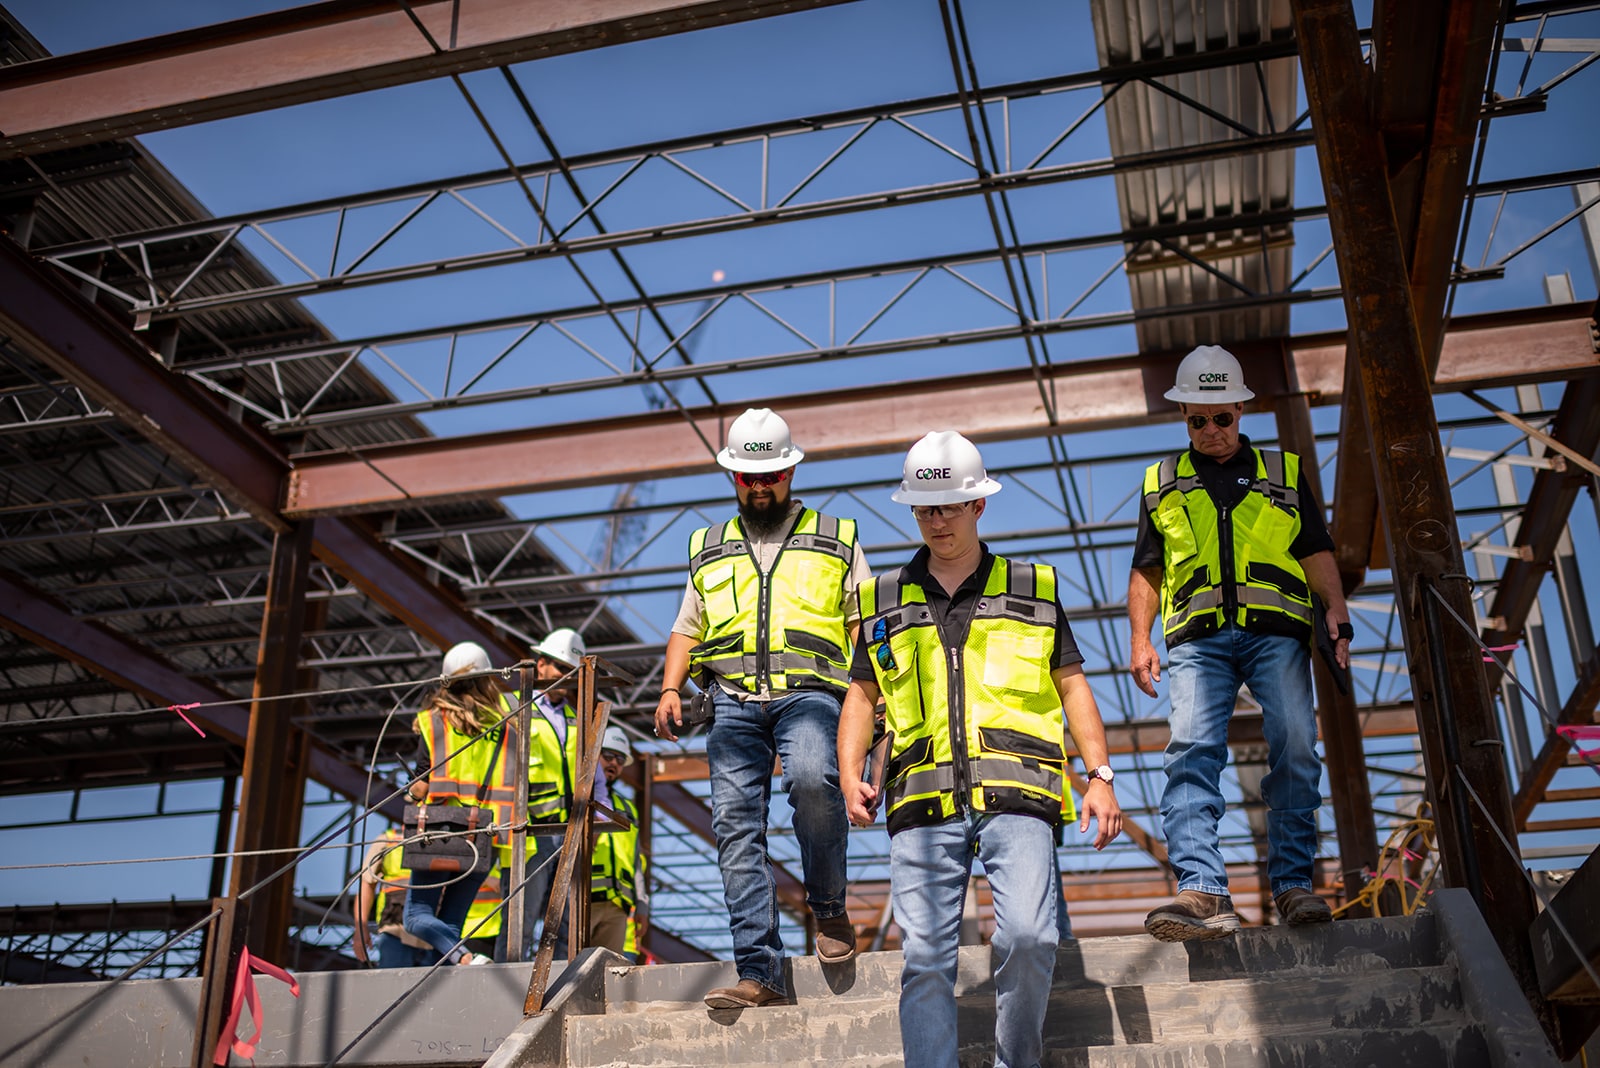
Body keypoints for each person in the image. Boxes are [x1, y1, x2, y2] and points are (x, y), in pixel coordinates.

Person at [838, 430, 1123, 1068]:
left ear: (978, 505)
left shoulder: (1032, 587)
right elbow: (861, 694)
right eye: (924, 509)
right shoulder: (882, 597)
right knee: (924, 960)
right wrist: (849, 772)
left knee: (1030, 936)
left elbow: (1071, 686)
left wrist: (1100, 776)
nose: (936, 521)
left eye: (948, 507)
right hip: (920, 801)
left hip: (1018, 794)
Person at [1128, 346, 1351, 941]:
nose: (1211, 430)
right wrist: (1140, 639)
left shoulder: (1284, 472)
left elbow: (1314, 547)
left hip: (1275, 632)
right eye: (1198, 419)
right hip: (1196, 639)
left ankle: (1294, 883)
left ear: (1241, 409)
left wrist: (1335, 609)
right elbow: (1147, 567)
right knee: (1191, 752)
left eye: (1221, 417)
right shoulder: (1161, 482)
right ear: (1184, 417)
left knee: (1297, 742)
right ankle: (1201, 888)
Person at [654, 407, 870, 1009]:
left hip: (811, 694)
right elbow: (687, 627)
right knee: (734, 827)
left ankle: (828, 907)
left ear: (790, 471)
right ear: (733, 477)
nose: (759, 487)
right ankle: (759, 970)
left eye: (769, 476)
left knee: (814, 779)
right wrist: (670, 689)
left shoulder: (837, 537)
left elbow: (862, 623)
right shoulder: (707, 547)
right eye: (748, 478)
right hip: (731, 703)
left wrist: (873, 701)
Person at [505, 627, 611, 962]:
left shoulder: (575, 719)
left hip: (569, 832)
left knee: (565, 927)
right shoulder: (513, 708)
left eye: (571, 671)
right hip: (530, 833)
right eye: (560, 668)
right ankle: (511, 979)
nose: (566, 677)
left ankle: (563, 981)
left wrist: (599, 817)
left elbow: (595, 778)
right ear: (541, 665)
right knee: (520, 922)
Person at [402, 641, 510, 966]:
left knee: (416, 916)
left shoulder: (435, 721)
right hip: (486, 832)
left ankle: (464, 958)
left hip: (441, 827)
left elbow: (422, 783)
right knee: (451, 924)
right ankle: (461, 965)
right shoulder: (506, 723)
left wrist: (411, 795)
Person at [589, 725, 644, 958]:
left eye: (620, 760)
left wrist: (642, 903)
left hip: (617, 904)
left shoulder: (627, 809)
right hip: (584, 897)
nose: (614, 763)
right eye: (609, 756)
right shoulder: (580, 797)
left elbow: (636, 860)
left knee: (608, 970)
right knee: (570, 964)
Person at [353, 827, 436, 968]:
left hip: (434, 934)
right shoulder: (388, 839)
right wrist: (361, 928)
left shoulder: (441, 838)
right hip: (395, 930)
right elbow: (367, 884)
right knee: (393, 980)